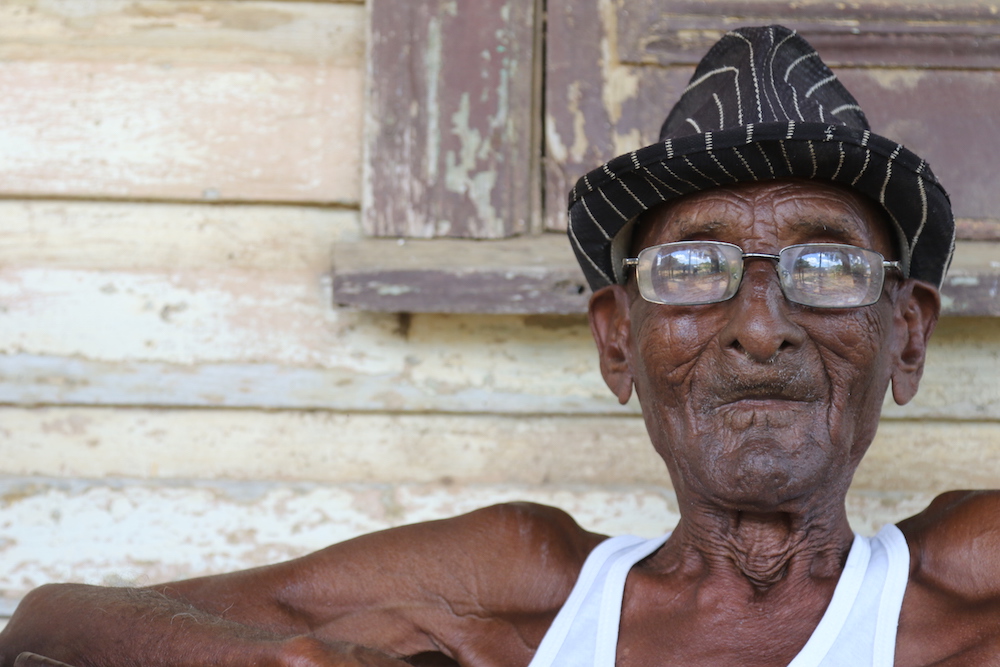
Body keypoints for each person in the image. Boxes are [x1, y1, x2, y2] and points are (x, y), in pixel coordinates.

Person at [2, 25, 998, 667]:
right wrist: (277, 660)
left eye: (825, 271)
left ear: (903, 335)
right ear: (619, 341)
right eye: (692, 272)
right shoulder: (518, 590)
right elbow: (53, 620)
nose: (759, 324)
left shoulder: (965, 581)